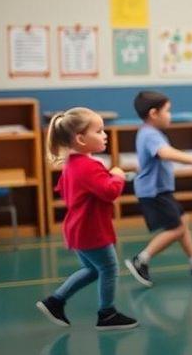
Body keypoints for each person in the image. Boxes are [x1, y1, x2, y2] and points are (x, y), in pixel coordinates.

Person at [36, 108, 137, 330]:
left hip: (77, 228)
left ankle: (55, 302)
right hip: (91, 230)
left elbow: (64, 189)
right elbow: (109, 192)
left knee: (93, 270)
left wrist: (107, 176)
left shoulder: (72, 164)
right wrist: (118, 177)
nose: (105, 135)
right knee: (109, 268)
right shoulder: (89, 166)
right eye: (99, 131)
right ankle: (107, 314)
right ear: (81, 139)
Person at [124, 90, 192, 287]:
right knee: (177, 228)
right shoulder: (151, 134)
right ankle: (141, 260)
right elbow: (165, 152)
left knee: (182, 221)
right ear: (154, 113)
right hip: (154, 191)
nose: (170, 115)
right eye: (168, 111)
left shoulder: (148, 132)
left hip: (159, 189)